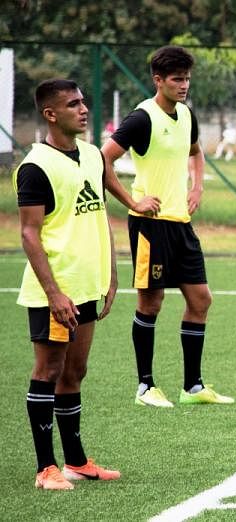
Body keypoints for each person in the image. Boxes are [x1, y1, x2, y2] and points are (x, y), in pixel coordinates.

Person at [101, 45, 234, 408]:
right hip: (150, 225)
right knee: (152, 301)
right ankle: (145, 387)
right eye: (177, 79)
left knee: (201, 298)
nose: (184, 85)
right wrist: (133, 201)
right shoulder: (142, 117)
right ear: (158, 80)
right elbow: (104, 159)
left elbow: (195, 152)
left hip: (181, 223)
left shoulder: (187, 114)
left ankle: (192, 388)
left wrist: (198, 186)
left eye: (187, 78)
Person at [16, 79, 123, 490]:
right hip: (55, 289)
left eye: (84, 102)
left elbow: (100, 216)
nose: (83, 110)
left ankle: (77, 462)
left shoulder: (94, 155)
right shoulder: (35, 166)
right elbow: (29, 233)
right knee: (49, 370)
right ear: (50, 113)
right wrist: (54, 292)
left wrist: (111, 274)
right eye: (73, 104)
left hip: (89, 285)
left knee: (75, 371)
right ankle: (46, 468)